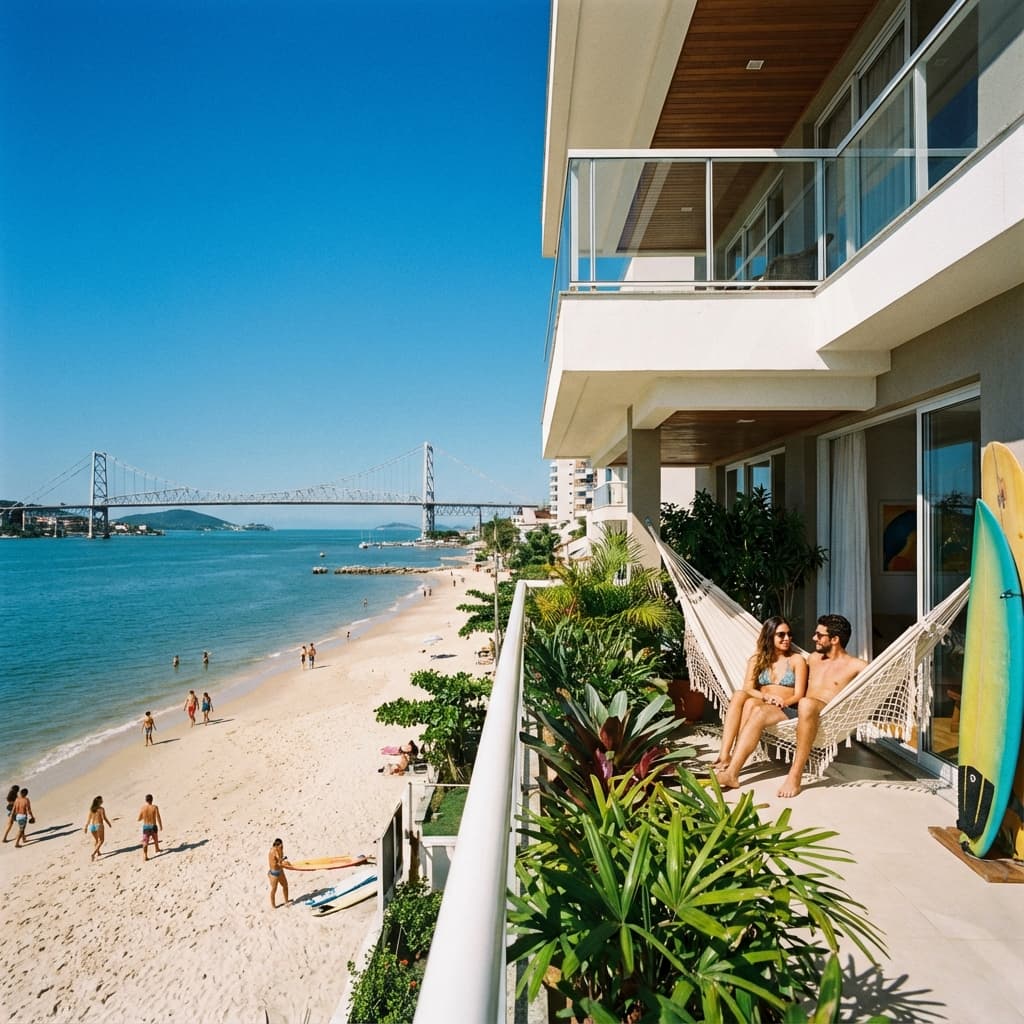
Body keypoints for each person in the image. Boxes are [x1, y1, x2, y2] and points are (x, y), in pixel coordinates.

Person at [777, 614, 867, 798]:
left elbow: (882, 680)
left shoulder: (856, 666)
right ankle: (728, 768)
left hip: (826, 716)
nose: (813, 638)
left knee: (807, 703)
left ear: (834, 639)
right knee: (754, 707)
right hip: (798, 713)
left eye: (819, 635)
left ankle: (795, 775)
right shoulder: (812, 658)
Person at [713, 617, 808, 787]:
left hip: (786, 709)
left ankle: (732, 772)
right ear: (769, 636)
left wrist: (782, 702)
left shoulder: (796, 660)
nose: (787, 638)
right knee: (739, 696)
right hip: (763, 704)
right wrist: (766, 697)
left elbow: (799, 695)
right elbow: (748, 688)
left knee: (754, 707)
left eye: (789, 634)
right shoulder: (757, 659)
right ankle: (725, 755)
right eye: (781, 635)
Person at [84, 795, 112, 861]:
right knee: (101, 840)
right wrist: (109, 823)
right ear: (99, 802)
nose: (102, 801)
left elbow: (89, 819)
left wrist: (86, 827)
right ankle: (93, 854)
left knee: (96, 840)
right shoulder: (101, 809)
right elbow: (104, 818)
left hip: (92, 826)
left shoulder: (92, 809)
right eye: (101, 800)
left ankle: (98, 852)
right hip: (99, 825)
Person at [267, 838, 292, 908]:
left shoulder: (279, 849)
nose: (282, 847)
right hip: (274, 874)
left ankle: (286, 902)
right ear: (277, 846)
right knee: (274, 889)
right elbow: (279, 862)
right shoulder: (274, 851)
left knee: (285, 885)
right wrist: (285, 863)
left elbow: (280, 860)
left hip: (280, 871)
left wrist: (284, 861)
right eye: (281, 846)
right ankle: (273, 906)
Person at [138, 794, 163, 861]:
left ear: (146, 800)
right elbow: (158, 817)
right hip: (153, 826)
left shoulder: (143, 808)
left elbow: (139, 818)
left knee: (145, 842)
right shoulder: (155, 807)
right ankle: (157, 849)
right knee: (155, 838)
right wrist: (160, 826)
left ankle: (145, 856)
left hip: (146, 827)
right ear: (152, 799)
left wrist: (145, 815)